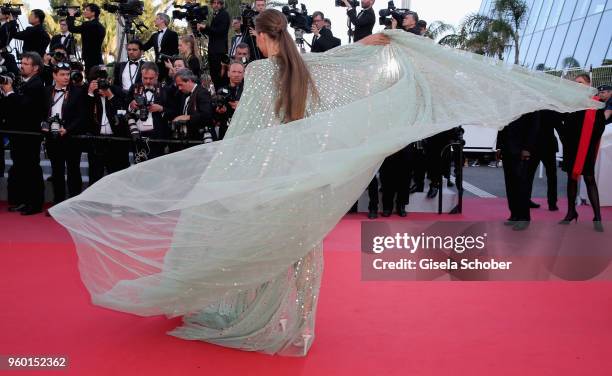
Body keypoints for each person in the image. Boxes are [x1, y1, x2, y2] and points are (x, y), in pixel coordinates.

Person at [49, 14, 601, 357]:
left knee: (245, 240)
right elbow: (346, 63)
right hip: (301, 176)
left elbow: (247, 135)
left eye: (252, 40)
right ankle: (298, 326)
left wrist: (227, 171)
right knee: (297, 247)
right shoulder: (309, 67)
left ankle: (254, 316)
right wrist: (386, 42)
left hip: (264, 175)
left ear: (263, 39)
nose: (251, 48)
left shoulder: (267, 72)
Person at [558, 75, 611, 232]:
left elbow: (599, 127)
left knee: (589, 179)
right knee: (571, 178)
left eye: (580, 83)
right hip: (571, 147)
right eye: (576, 83)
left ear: (589, 84)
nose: (578, 85)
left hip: (586, 147)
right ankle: (571, 212)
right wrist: (564, 136)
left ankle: (597, 217)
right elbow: (564, 121)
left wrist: (587, 143)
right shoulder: (572, 103)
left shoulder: (596, 103)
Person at [197, 0, 230, 90]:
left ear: (221, 4)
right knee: (214, 76)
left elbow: (220, 31)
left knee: (219, 76)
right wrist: (203, 29)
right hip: (214, 50)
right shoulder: (216, 15)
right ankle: (217, 94)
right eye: (214, 3)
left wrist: (206, 27)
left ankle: (221, 95)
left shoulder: (224, 14)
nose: (216, 5)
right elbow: (213, 33)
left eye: (218, 3)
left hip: (219, 51)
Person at [67, 4, 105, 74]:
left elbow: (71, 28)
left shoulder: (88, 25)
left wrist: (71, 15)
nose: (84, 12)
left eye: (87, 10)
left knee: (91, 81)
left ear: (93, 13)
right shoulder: (101, 27)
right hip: (99, 59)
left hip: (90, 61)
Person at [143, 13, 179, 83]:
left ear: (162, 20)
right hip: (157, 66)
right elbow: (145, 47)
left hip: (168, 66)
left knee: (170, 85)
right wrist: (135, 44)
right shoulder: (154, 36)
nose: (155, 20)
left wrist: (172, 67)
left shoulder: (172, 34)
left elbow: (175, 51)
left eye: (157, 19)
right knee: (156, 86)